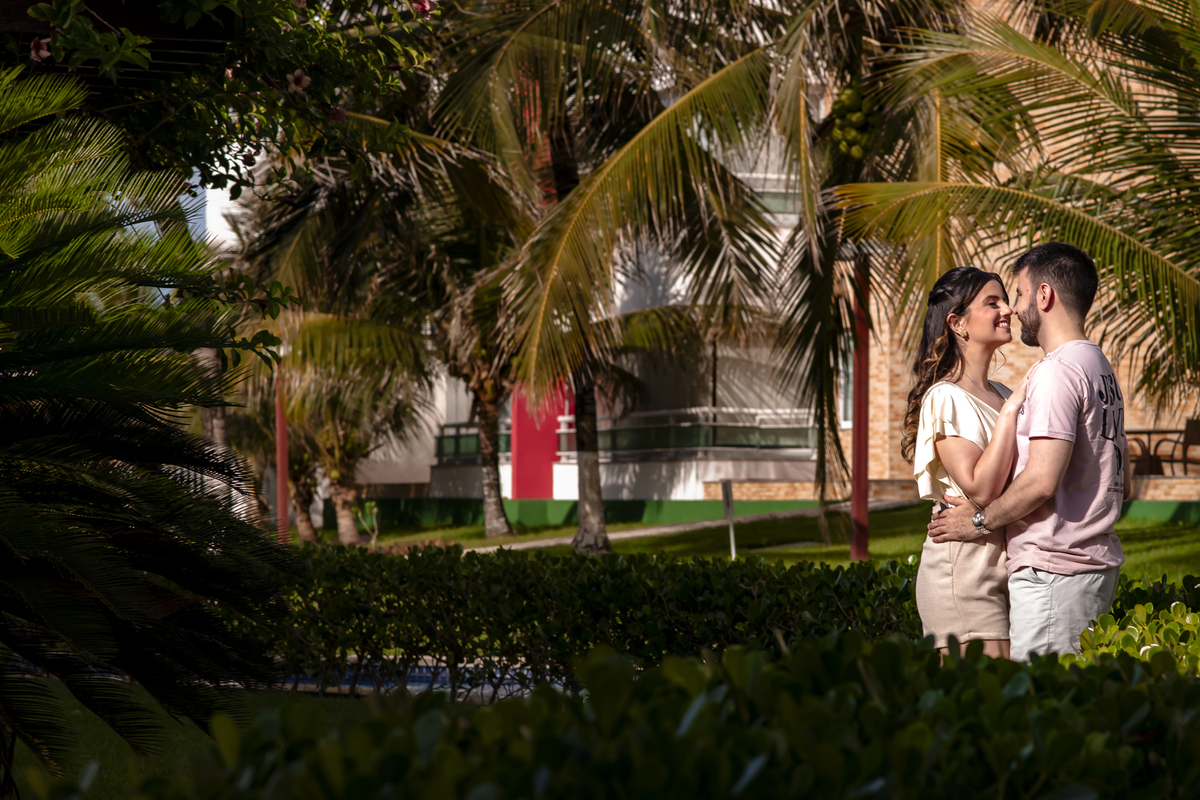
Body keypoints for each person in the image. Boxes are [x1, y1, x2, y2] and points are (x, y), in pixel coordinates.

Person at [928, 242, 1131, 663]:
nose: (1013, 309)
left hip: (1057, 568)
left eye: (1017, 294)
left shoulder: (1057, 371)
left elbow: (1040, 480)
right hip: (1077, 563)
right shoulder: (1098, 367)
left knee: (1039, 709)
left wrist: (980, 520)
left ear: (1044, 296)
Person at [903, 266, 1029, 659]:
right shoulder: (945, 397)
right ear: (957, 323)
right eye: (992, 302)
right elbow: (980, 486)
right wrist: (1011, 412)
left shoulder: (1004, 392)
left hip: (1005, 562)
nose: (1007, 309)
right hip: (964, 571)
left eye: (1005, 299)